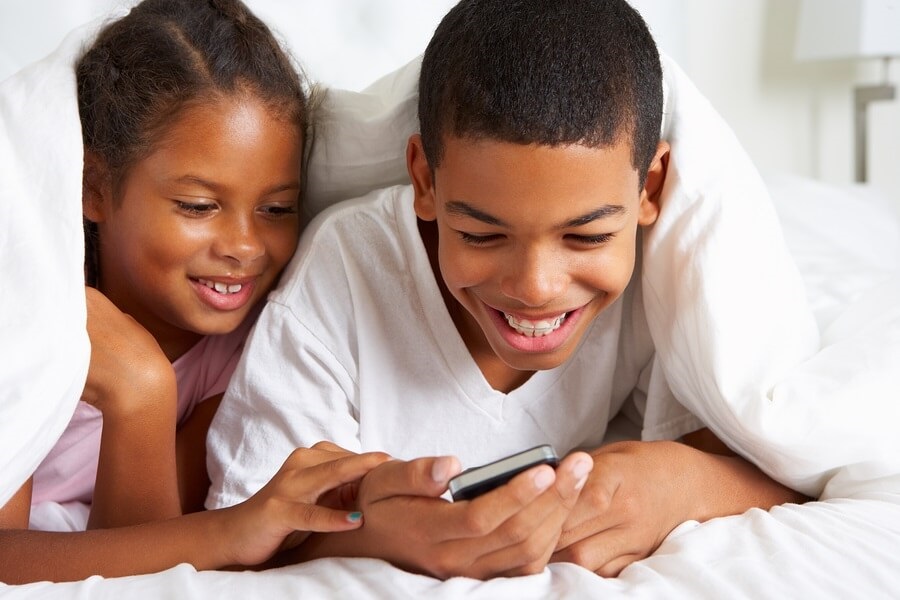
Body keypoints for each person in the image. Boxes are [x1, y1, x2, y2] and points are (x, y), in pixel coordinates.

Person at [206, 0, 809, 580]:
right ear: (424, 180)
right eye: (482, 234)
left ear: (649, 188)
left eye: (586, 237)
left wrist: (679, 483)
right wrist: (387, 537)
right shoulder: (347, 271)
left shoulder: (669, 280)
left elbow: (798, 454)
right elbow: (243, 528)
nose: (535, 288)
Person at [0, 0, 390, 584]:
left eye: (276, 209)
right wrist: (228, 530)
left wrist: (142, 396)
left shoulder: (241, 359)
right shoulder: (24, 314)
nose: (245, 246)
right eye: (199, 206)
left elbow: (143, 565)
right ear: (92, 187)